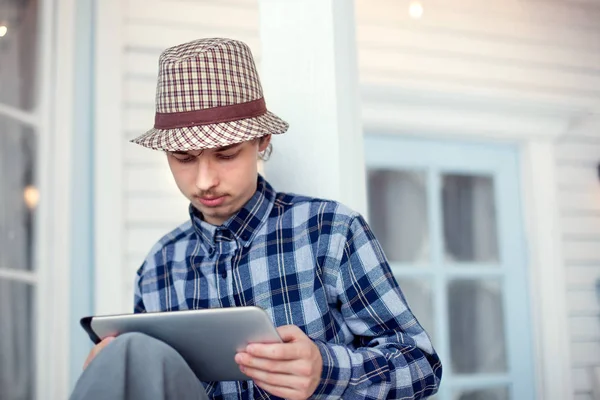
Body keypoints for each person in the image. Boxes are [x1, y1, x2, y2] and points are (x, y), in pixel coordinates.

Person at [70, 37, 442, 400]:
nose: (204, 181)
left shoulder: (331, 231)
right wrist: (116, 373)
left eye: (226, 154)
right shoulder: (158, 266)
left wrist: (326, 370)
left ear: (262, 140)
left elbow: (422, 367)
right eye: (183, 158)